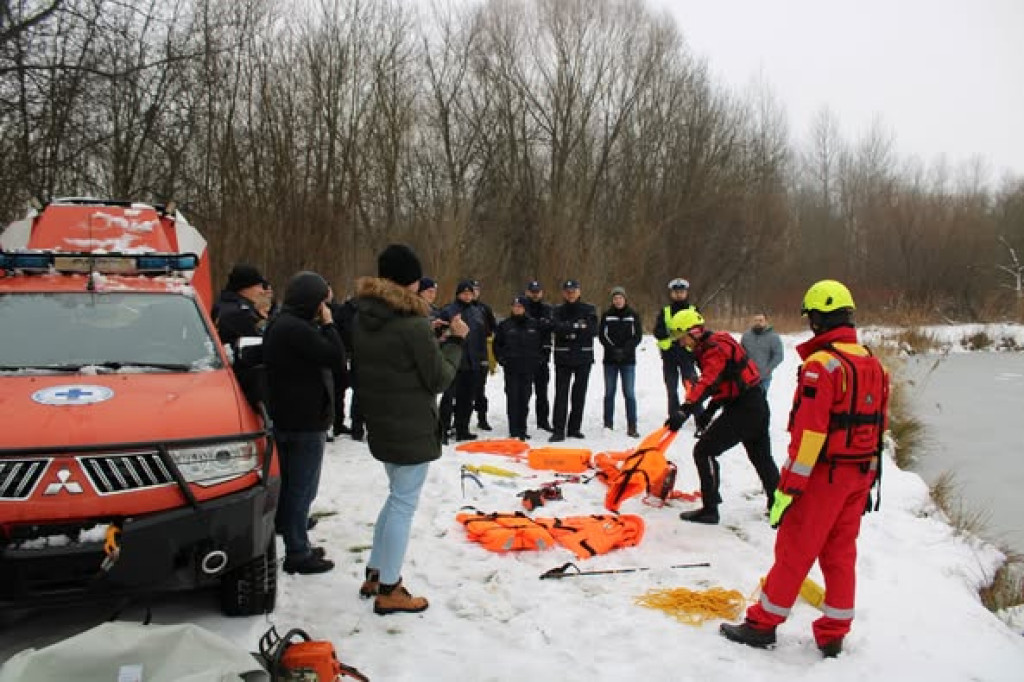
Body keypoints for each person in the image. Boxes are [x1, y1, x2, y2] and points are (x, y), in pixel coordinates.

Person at [720, 280, 889, 658]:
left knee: (795, 550)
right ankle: (833, 634)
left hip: (823, 478)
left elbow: (810, 435)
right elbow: (879, 427)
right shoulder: (872, 363)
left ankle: (762, 625)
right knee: (841, 554)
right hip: (859, 475)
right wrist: (869, 479)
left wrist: (789, 488)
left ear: (817, 319)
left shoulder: (821, 366)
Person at [353, 244, 467, 615]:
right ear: (411, 280)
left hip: (383, 424)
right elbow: (439, 378)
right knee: (403, 504)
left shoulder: (365, 316)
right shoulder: (411, 324)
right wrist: (457, 343)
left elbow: (397, 357)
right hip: (411, 429)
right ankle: (390, 587)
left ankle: (375, 570)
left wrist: (430, 338)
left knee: (394, 498)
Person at [264, 271, 347, 575]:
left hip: (288, 417)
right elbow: (336, 358)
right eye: (323, 301)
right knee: (302, 489)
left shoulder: (281, 324)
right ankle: (298, 551)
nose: (326, 307)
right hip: (303, 422)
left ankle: (295, 536)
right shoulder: (297, 329)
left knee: (292, 487)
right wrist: (328, 323)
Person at [665, 308, 779, 525]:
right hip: (756, 405)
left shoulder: (714, 351)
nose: (681, 343)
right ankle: (779, 504)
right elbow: (726, 382)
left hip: (745, 409)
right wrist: (709, 411)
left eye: (682, 338)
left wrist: (685, 409)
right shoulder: (717, 343)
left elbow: (708, 381)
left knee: (704, 451)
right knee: (762, 458)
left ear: (694, 332)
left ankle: (710, 509)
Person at [549, 279, 597, 442]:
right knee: (561, 395)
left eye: (574, 291)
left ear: (579, 292)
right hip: (563, 357)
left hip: (583, 357)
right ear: (563, 293)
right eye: (568, 291)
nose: (571, 294)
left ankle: (574, 428)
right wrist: (577, 327)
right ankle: (558, 430)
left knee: (579, 394)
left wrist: (569, 328)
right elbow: (556, 328)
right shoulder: (557, 310)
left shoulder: (589, 309)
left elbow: (592, 329)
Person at [439, 280, 485, 441]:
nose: (467, 296)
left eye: (470, 293)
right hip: (454, 360)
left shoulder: (477, 312)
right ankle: (443, 430)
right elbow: (441, 335)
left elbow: (480, 337)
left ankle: (462, 429)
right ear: (458, 294)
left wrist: (482, 359)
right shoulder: (448, 310)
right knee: (448, 397)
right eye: (464, 293)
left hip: (472, 361)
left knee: (467, 399)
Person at [493, 295, 543, 440]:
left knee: (525, 399)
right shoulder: (505, 325)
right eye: (514, 306)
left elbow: (541, 345)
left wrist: (538, 360)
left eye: (520, 307)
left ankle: (523, 429)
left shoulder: (534, 324)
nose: (517, 309)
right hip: (511, 369)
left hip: (528, 368)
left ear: (525, 308)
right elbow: (497, 345)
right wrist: (502, 360)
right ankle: (513, 430)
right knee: (513, 399)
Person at [652, 278, 700, 418]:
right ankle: (674, 415)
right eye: (676, 292)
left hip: (687, 354)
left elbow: (699, 331)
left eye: (681, 292)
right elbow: (657, 332)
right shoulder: (665, 311)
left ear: (686, 293)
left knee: (691, 386)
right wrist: (672, 332)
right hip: (669, 354)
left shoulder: (693, 310)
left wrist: (687, 334)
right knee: (671, 388)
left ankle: (698, 414)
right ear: (671, 294)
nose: (679, 295)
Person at [598, 286, 642, 437]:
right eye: (615, 298)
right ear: (612, 300)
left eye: (620, 298)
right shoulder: (607, 315)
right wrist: (613, 350)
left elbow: (637, 336)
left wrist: (625, 350)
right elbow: (603, 336)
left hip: (628, 360)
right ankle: (608, 424)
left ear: (625, 299)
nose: (618, 301)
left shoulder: (633, 315)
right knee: (609, 392)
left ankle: (632, 425)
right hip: (610, 360)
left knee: (629, 393)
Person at [212, 264, 273, 349]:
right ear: (245, 288)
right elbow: (259, 342)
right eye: (259, 286)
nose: (262, 291)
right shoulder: (240, 313)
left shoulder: (222, 305)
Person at [523, 280, 554, 432]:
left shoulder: (548, 308)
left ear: (541, 293)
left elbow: (549, 326)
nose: (535, 294)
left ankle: (543, 421)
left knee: (542, 392)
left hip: (542, 355)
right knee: (525, 392)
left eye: (537, 291)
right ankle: (521, 421)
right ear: (527, 292)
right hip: (526, 356)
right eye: (532, 291)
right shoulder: (522, 307)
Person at [471, 279, 497, 431]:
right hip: (465, 353)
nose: (474, 293)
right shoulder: (458, 308)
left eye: (476, 290)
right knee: (462, 390)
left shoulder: (485, 309)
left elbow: (493, 329)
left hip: (481, 353)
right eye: (471, 290)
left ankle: (482, 418)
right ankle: (459, 420)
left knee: (480, 389)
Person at [741, 312, 784, 394]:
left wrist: (766, 370)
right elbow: (741, 353)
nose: (758, 323)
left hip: (764, 378)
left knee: (760, 402)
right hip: (747, 376)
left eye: (760, 320)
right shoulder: (746, 336)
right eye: (756, 320)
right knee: (746, 402)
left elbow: (779, 356)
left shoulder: (773, 337)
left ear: (766, 322)